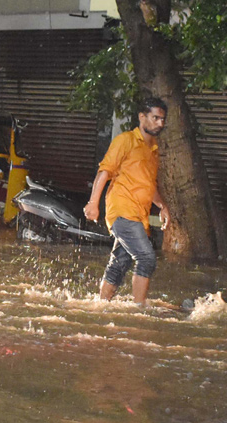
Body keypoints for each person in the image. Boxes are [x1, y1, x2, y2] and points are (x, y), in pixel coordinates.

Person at [83, 97, 170, 306]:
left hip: (139, 214)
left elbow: (148, 184)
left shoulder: (154, 149)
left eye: (163, 119)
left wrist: (162, 206)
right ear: (142, 117)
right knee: (146, 258)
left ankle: (100, 305)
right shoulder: (125, 141)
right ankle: (139, 309)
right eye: (155, 118)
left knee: (120, 262)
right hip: (122, 211)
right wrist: (93, 203)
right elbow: (104, 172)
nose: (160, 123)